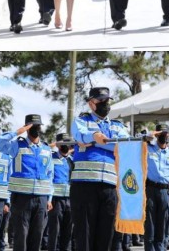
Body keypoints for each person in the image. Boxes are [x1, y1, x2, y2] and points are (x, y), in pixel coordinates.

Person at [70, 87, 129, 251]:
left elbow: (124, 146)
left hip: (110, 187)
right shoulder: (81, 121)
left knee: (107, 238)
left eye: (107, 101)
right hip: (84, 186)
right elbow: (80, 134)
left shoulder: (118, 126)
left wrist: (95, 141)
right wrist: (98, 138)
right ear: (91, 103)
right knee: (85, 238)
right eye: (100, 101)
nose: (105, 104)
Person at [0, 115, 53, 251]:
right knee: (21, 236)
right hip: (21, 198)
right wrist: (16, 132)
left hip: (41, 198)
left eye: (38, 126)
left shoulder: (46, 149)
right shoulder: (16, 145)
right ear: (27, 127)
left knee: (37, 235)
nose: (36, 128)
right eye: (33, 126)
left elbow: (50, 174)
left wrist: (50, 197)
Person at [145, 124, 169, 251]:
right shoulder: (148, 149)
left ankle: (161, 248)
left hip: (166, 192)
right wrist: (150, 135)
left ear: (168, 135)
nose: (164, 136)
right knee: (150, 224)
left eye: (166, 133)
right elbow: (138, 140)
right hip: (150, 190)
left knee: (163, 224)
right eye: (161, 133)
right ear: (156, 135)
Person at [48, 133, 73, 251]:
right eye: (63, 144)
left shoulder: (71, 160)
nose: (65, 146)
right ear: (58, 145)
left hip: (70, 199)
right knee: (54, 230)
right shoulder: (51, 157)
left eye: (67, 144)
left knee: (68, 230)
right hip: (55, 199)